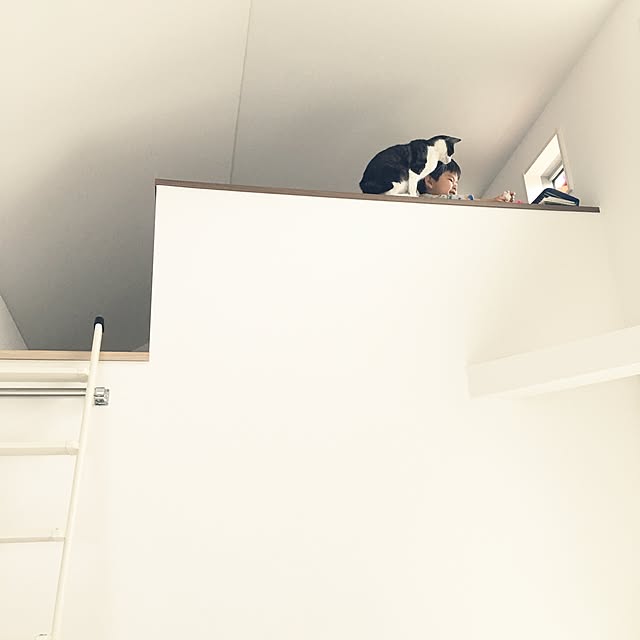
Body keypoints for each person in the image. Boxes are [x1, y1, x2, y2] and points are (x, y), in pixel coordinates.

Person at [418, 160, 515, 202]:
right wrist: (493, 201)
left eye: (456, 183)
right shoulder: (422, 199)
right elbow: (462, 200)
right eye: (451, 180)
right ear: (429, 181)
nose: (455, 186)